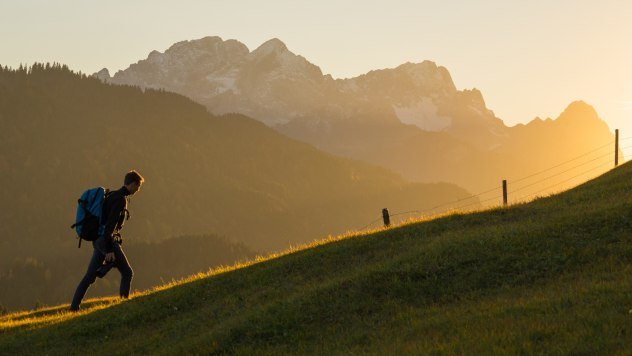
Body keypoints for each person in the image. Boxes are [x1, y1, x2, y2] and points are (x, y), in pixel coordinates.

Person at [70, 170, 144, 311]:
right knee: (127, 272)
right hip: (106, 240)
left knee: (88, 277)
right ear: (132, 184)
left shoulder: (112, 195)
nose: (138, 189)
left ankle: (74, 308)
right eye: (138, 186)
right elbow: (109, 225)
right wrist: (109, 249)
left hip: (98, 240)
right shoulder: (120, 199)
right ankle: (123, 304)